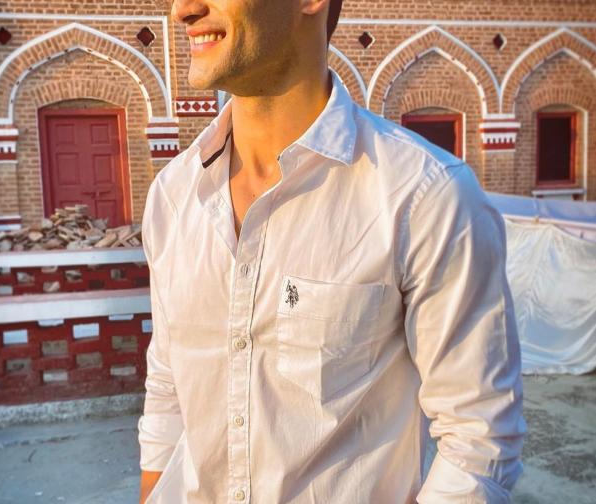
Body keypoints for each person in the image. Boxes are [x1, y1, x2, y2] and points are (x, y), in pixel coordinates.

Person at [138, 0, 526, 502]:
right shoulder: (174, 196)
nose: (182, 10)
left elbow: (478, 437)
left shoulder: (421, 195)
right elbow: (169, 387)